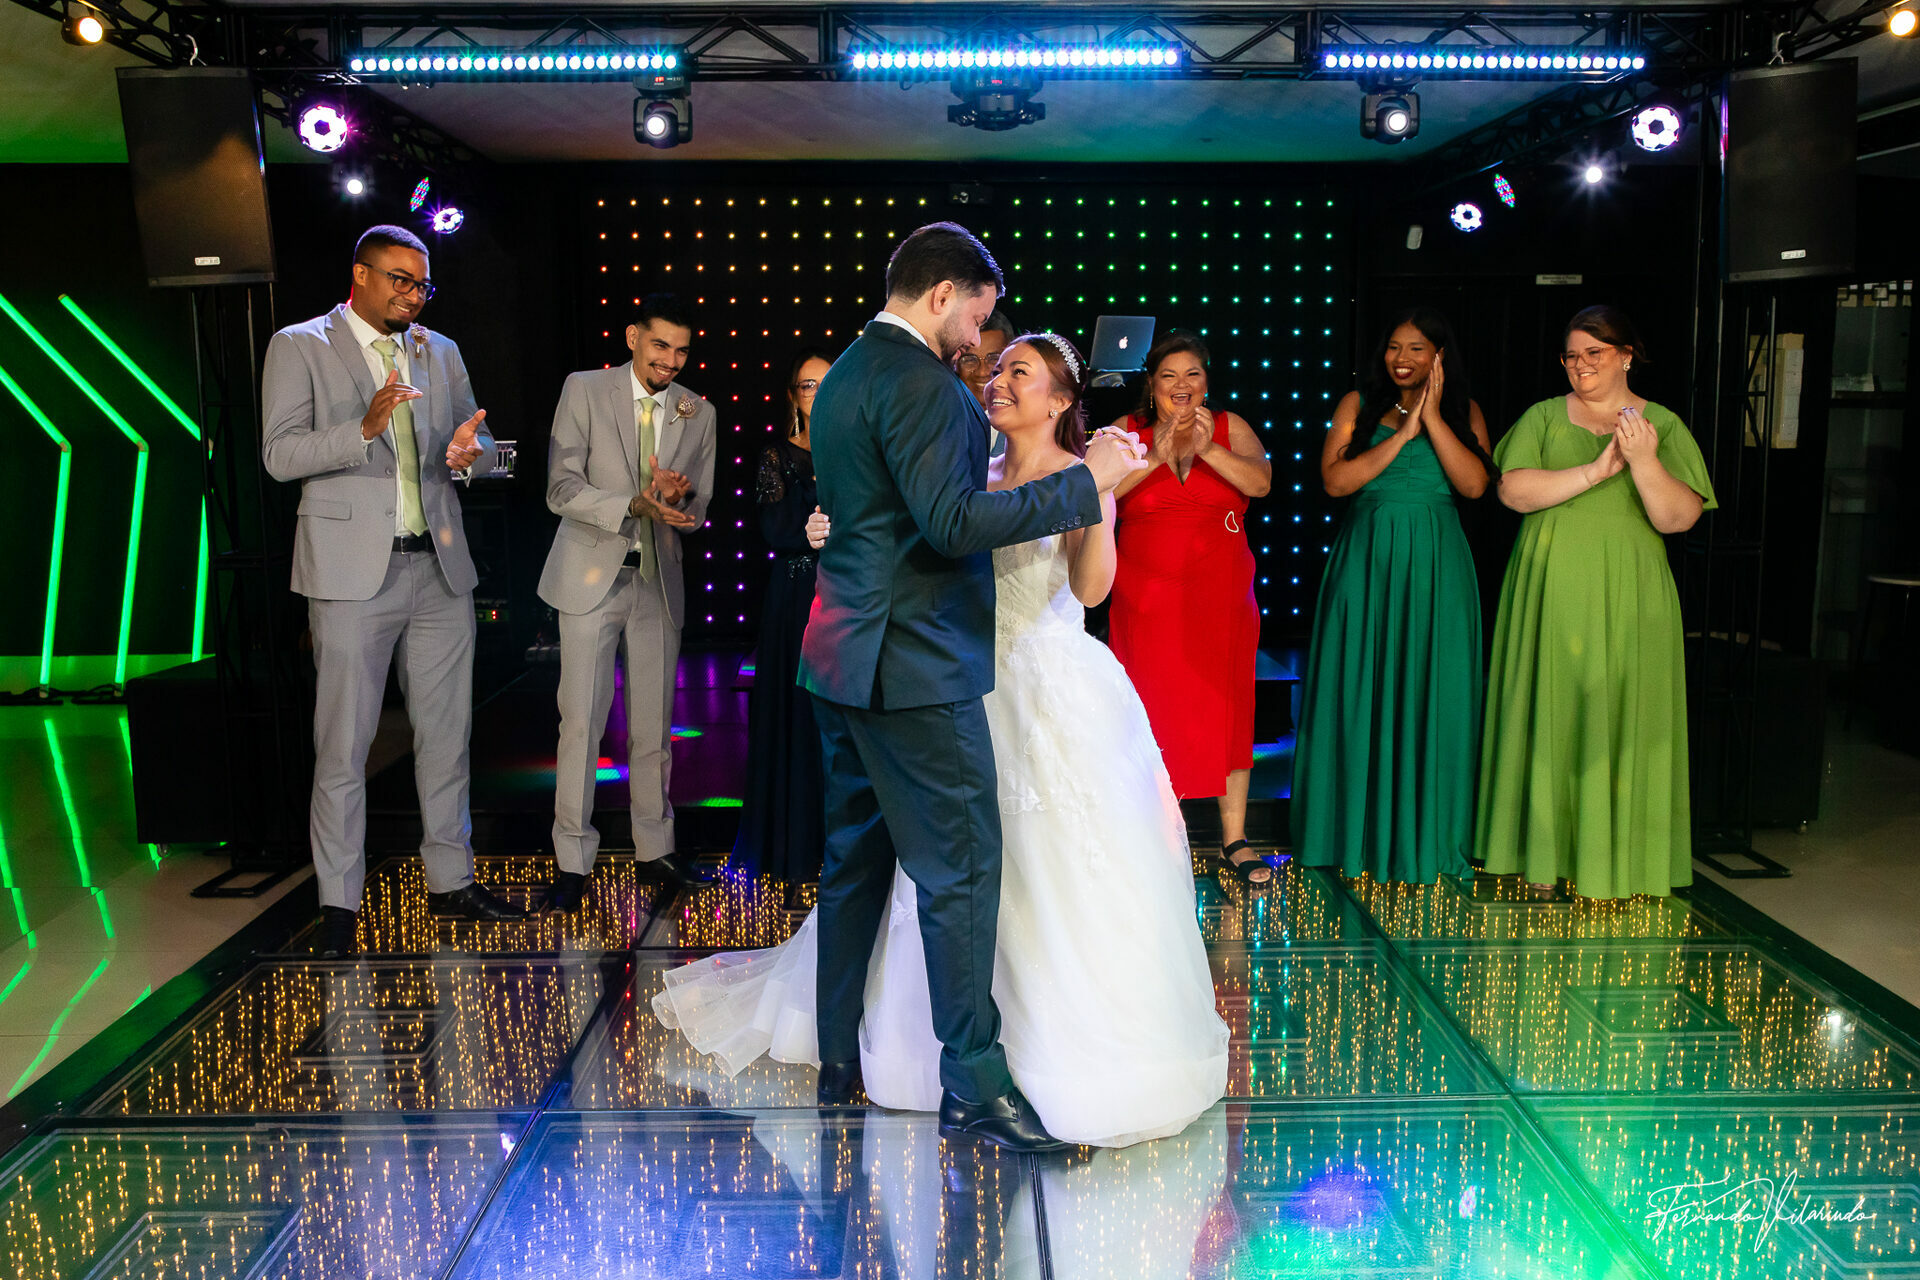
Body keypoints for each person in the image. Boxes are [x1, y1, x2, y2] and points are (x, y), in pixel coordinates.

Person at [654, 330, 1228, 1151]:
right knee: (941, 868)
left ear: (1062, 399)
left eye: (1019, 372)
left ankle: (1040, 1048)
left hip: (1049, 689)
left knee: (1050, 868)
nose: (997, 381)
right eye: (996, 369)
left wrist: (1095, 500)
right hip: (949, 684)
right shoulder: (965, 476)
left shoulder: (1085, 474)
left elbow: (1092, 589)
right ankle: (938, 1052)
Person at [262, 224, 525, 959]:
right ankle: (338, 903)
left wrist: (473, 456)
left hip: (437, 568)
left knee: (446, 736)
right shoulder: (300, 345)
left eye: (422, 284)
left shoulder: (440, 350)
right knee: (343, 745)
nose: (413, 295)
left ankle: (451, 880)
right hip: (350, 576)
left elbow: (478, 445)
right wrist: (362, 427)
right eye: (400, 280)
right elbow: (279, 454)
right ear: (361, 275)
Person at [1478, 306, 1717, 898]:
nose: (1580, 365)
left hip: (1631, 589)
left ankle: (1620, 860)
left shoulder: (1661, 424)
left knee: (1623, 715)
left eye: (1594, 352)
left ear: (1626, 356)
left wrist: (1642, 461)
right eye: (1571, 355)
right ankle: (1542, 855)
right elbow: (1513, 491)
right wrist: (1595, 470)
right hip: (1550, 587)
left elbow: (1678, 517)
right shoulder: (1542, 416)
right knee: (1551, 711)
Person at [1291, 309, 1496, 885]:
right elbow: (1335, 481)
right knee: (1361, 686)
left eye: (1416, 348)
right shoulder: (1356, 404)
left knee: (1434, 689)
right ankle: (1352, 833)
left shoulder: (1466, 412)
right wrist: (1402, 435)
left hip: (1436, 565)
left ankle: (1430, 836)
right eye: (1394, 347)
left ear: (1439, 356)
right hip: (1368, 561)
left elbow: (1475, 485)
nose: (1402, 359)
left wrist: (1431, 419)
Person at [536, 292, 719, 913]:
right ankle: (572, 860)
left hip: (657, 582)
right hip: (590, 577)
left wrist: (679, 501)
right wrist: (632, 504)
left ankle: (655, 848)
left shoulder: (698, 411)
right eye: (661, 345)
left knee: (653, 728)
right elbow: (561, 488)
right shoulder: (585, 389)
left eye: (682, 351)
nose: (671, 360)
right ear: (633, 337)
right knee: (581, 723)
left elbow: (699, 506)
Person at [1106, 332, 1272, 885]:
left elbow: (1261, 483)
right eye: (1169, 376)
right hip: (1144, 597)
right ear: (1151, 385)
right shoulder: (1125, 432)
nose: (1181, 385)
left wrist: (1209, 450)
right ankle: (1152, 835)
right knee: (1148, 711)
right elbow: (1098, 491)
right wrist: (1156, 453)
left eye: (1192, 374)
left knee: (1228, 708)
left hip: (1220, 596)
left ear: (1206, 382)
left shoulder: (1229, 426)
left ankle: (1235, 839)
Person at [731, 348, 833, 882]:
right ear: (794, 396)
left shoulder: (861, 451)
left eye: (827, 382)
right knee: (794, 714)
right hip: (795, 597)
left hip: (848, 596)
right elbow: (773, 530)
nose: (818, 392)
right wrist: (811, 529)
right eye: (808, 385)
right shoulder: (777, 456)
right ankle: (794, 848)